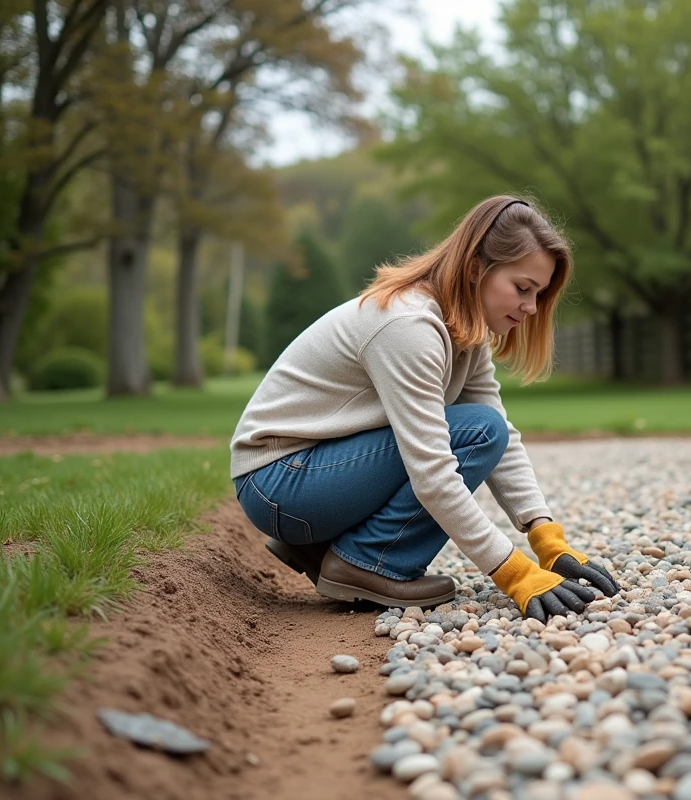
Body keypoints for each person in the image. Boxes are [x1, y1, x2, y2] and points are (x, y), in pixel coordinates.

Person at [229, 195, 621, 622]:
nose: (531, 307)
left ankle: (326, 546)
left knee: (488, 427)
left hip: (303, 480)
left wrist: (546, 536)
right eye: (522, 288)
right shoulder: (409, 326)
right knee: (478, 430)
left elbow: (503, 440)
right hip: (281, 482)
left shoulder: (464, 331)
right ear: (476, 268)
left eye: (539, 294)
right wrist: (514, 573)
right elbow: (433, 470)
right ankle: (369, 561)